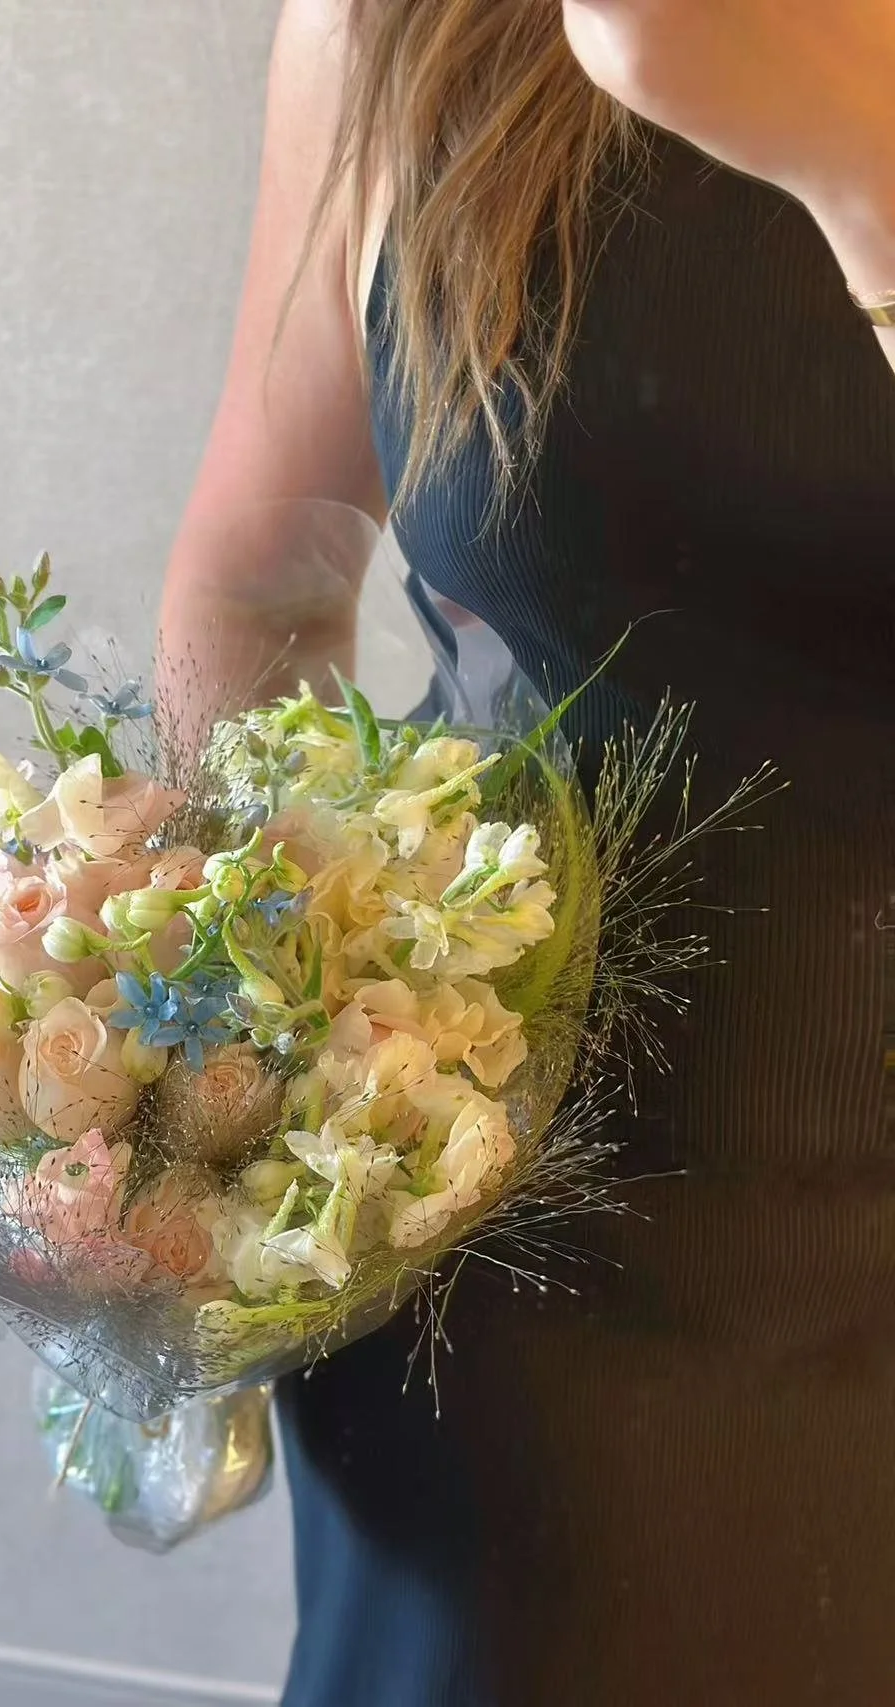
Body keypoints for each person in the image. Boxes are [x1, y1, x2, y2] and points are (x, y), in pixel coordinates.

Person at [159, 3, 895, 1702]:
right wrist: (199, 1091)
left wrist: (863, 176)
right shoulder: (408, 25)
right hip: (501, 1305)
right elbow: (262, 586)